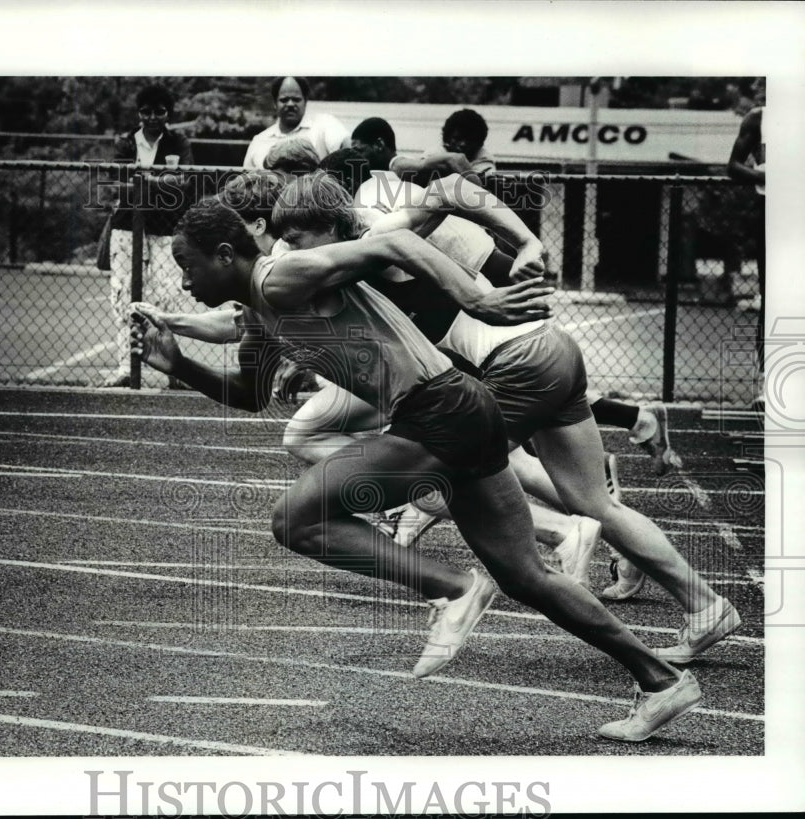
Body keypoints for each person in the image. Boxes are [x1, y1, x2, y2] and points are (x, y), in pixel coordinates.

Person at [133, 194, 703, 742]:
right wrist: (177, 363)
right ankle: (661, 681)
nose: (183, 283)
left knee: (295, 520)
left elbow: (398, 243)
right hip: (461, 411)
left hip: (438, 411)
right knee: (528, 577)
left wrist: (477, 300)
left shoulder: (279, 278)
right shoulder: (258, 313)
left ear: (224, 255)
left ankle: (454, 588)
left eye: (187, 266)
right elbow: (249, 393)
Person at [274, 170, 741, 667]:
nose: (290, 252)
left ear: (328, 225)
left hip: (518, 364)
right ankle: (706, 606)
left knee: (441, 483)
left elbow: (450, 185)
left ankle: (550, 557)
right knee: (595, 503)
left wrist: (527, 242)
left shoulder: (380, 237)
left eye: (296, 240)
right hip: (551, 349)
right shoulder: (353, 252)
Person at [346, 121, 684, 478]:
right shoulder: (383, 186)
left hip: (481, 268)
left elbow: (457, 181)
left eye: (359, 146)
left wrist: (520, 240)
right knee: (513, 379)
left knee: (518, 377)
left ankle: (594, 457)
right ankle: (633, 424)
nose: (356, 152)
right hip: (468, 271)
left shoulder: (377, 190)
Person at [99, 83, 193, 387]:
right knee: (124, 294)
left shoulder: (178, 141)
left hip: (165, 226)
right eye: (146, 111)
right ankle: (126, 368)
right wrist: (160, 181)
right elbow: (119, 182)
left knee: (169, 295)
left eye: (159, 111)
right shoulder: (126, 143)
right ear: (138, 113)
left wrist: (146, 181)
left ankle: (173, 369)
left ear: (168, 113)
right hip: (128, 225)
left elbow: (185, 181)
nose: (152, 117)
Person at [726, 79, 765, 410]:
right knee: (774, 301)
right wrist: (764, 176)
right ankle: (770, 384)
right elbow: (733, 165)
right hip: (774, 212)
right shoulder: (759, 118)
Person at [243, 77, 350, 170]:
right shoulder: (259, 141)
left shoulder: (324, 124)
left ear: (305, 101)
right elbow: (245, 179)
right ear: (275, 103)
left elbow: (347, 147)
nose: (290, 104)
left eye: (296, 99)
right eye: (284, 100)